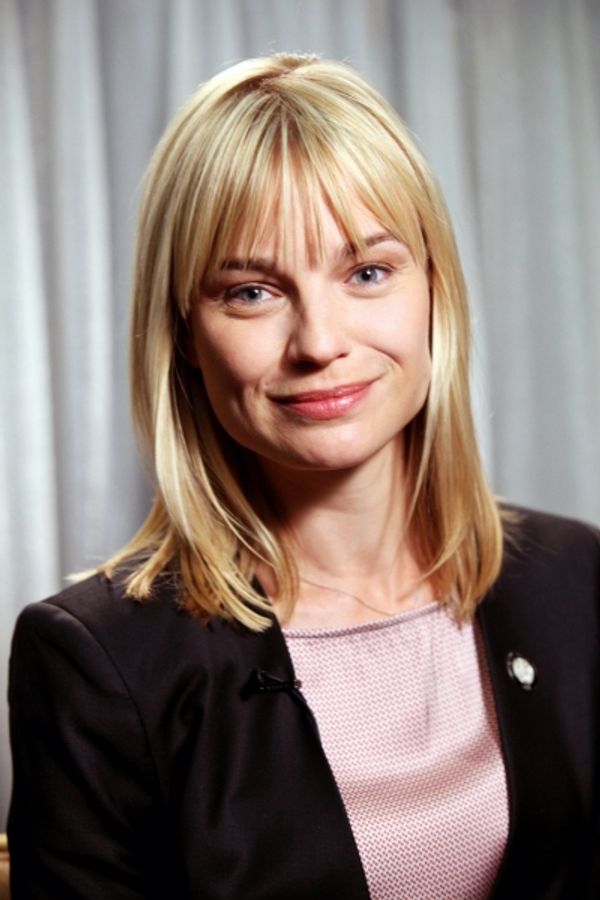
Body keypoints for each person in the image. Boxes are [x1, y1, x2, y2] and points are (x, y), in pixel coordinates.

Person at [7, 53, 600, 900]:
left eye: (367, 273)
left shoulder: (576, 577)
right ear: (183, 334)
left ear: (434, 290)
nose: (320, 341)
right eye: (251, 291)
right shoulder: (94, 661)